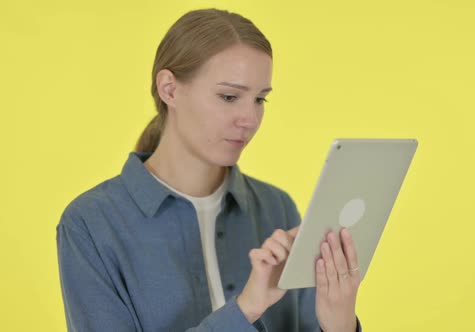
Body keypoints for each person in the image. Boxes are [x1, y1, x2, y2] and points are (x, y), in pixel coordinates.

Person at [57, 8, 362, 332]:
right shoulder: (90, 224)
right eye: (229, 96)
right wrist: (245, 309)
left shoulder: (277, 209)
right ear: (169, 89)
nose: (249, 119)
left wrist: (338, 321)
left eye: (260, 100)